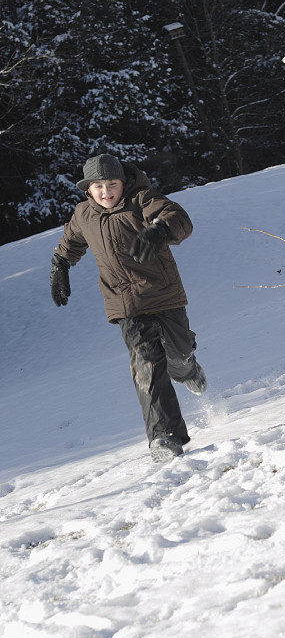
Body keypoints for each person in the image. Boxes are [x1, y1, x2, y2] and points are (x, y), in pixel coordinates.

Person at [50, 153, 206, 463]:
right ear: (88, 189)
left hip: (163, 295)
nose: (106, 192)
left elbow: (178, 217)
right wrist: (60, 266)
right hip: (125, 305)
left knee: (177, 352)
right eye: (98, 186)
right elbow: (71, 241)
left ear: (124, 183)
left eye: (112, 184)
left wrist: (160, 230)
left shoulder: (141, 199)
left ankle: (186, 366)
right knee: (146, 366)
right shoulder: (84, 214)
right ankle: (165, 437)